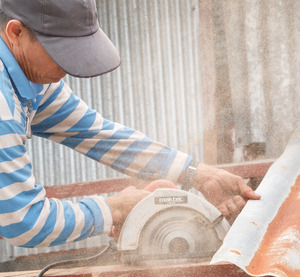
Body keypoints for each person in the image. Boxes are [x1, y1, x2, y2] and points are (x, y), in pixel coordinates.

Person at [0, 0, 260, 249]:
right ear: (16, 32)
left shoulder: (35, 80)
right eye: (61, 52)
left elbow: (99, 136)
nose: (67, 67)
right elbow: (24, 221)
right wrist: (116, 208)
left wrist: (198, 174)